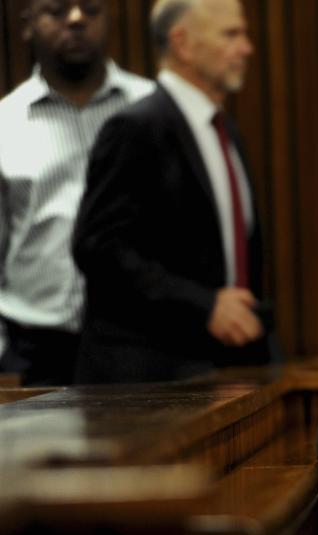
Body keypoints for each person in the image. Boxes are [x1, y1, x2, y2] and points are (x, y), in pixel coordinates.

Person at [71, 0, 273, 383]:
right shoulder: (135, 128)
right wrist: (204, 306)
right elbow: (97, 248)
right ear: (183, 44)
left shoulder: (224, 129)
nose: (246, 47)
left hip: (222, 368)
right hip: (147, 379)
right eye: (231, 34)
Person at [0, 0, 152, 385]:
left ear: (108, 18)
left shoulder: (153, 109)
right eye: (56, 9)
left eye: (91, 8)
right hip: (35, 352)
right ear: (27, 25)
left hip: (143, 346)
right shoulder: (6, 124)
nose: (76, 19)